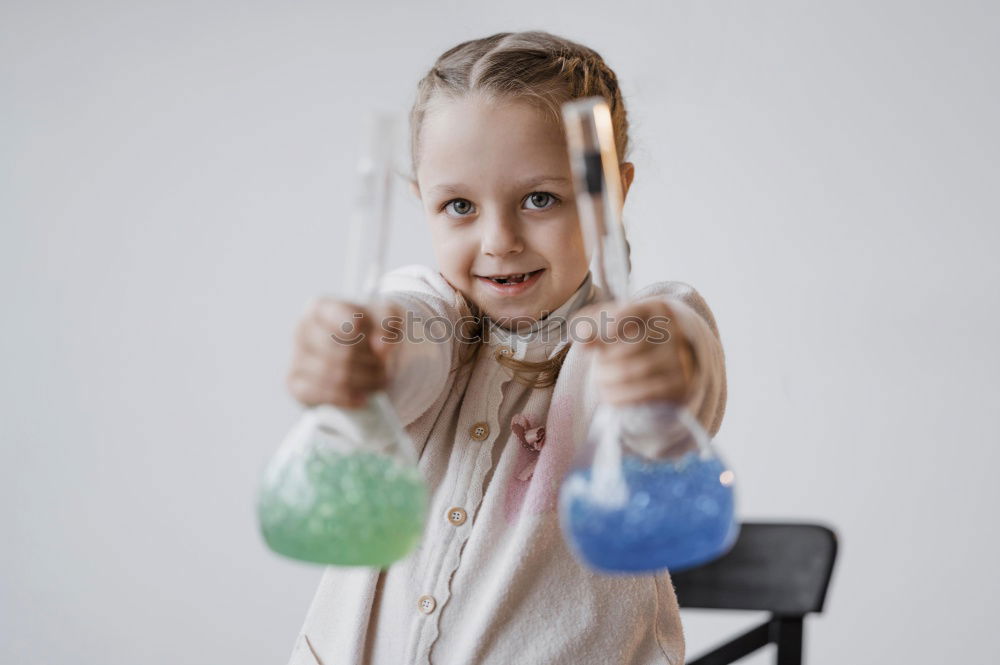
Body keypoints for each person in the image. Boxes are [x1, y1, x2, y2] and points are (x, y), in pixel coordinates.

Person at [283, 30, 726, 665]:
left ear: (611, 192)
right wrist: (363, 358)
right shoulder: (427, 311)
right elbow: (405, 343)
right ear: (422, 203)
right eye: (459, 205)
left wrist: (660, 371)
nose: (499, 240)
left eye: (539, 199)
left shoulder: (637, 327)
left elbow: (675, 378)